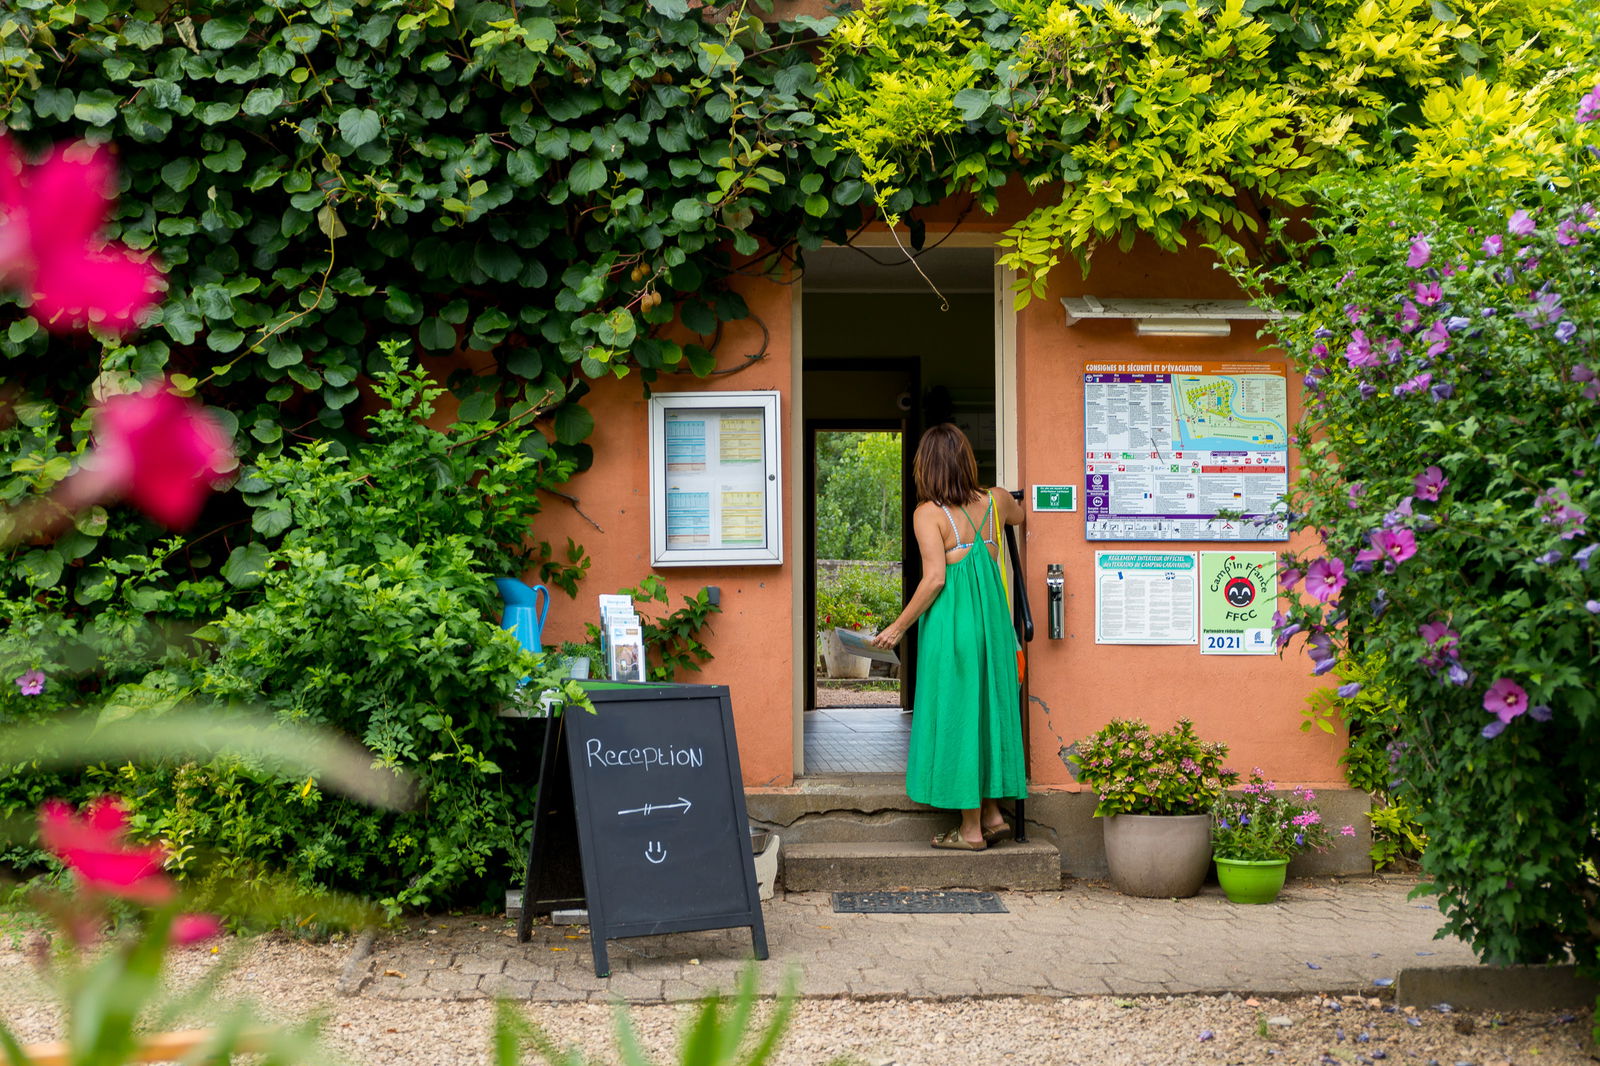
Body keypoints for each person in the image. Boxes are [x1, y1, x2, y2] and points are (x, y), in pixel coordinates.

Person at [870, 423, 1027, 850]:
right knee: (988, 714)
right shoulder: (995, 501)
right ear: (965, 461)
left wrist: (897, 628)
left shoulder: (929, 514)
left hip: (952, 628)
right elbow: (1022, 513)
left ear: (926, 467)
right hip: (994, 627)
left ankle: (970, 830)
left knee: (958, 719)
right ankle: (993, 815)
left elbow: (935, 577)